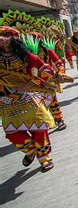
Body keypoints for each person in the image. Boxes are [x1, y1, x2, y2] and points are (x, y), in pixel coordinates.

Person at [0, 26, 56, 172]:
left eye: (6, 35)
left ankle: (44, 159)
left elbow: (48, 70)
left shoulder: (26, 56)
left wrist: (30, 84)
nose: (2, 38)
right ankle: (31, 151)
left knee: (38, 129)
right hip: (6, 101)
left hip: (28, 97)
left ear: (14, 38)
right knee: (13, 134)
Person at [31, 32, 67, 130]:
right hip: (32, 82)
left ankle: (59, 120)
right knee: (37, 104)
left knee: (52, 101)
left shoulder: (49, 51)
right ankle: (45, 122)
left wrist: (60, 73)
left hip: (48, 80)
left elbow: (59, 63)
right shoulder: (25, 54)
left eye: (35, 39)